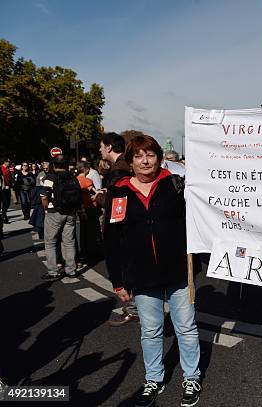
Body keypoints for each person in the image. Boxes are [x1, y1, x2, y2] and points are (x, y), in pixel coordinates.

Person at [105, 135, 201, 407]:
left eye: (150, 155)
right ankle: (153, 379)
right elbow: (111, 239)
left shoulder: (175, 185)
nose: (145, 161)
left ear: (159, 158)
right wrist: (118, 281)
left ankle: (191, 377)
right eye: (138, 156)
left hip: (178, 270)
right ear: (131, 161)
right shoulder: (119, 191)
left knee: (186, 328)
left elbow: (197, 221)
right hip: (142, 275)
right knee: (150, 331)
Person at [94, 132, 138, 326]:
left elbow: (118, 204)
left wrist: (100, 197)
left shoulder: (119, 169)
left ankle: (134, 309)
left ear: (109, 147)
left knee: (125, 268)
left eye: (101, 146)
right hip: (128, 227)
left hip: (121, 228)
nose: (100, 150)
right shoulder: (122, 166)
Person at [40, 156, 82, 280]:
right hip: (71, 212)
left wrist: (46, 209)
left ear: (54, 165)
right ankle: (71, 269)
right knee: (69, 242)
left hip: (54, 212)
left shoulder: (50, 177)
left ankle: (53, 271)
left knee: (50, 242)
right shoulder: (72, 177)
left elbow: (44, 196)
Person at [76, 162, 101, 264]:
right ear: (85, 170)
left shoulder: (74, 180)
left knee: (82, 230)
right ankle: (92, 251)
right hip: (90, 207)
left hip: (80, 208)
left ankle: (83, 250)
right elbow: (96, 192)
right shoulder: (87, 181)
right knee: (92, 230)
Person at [1, 159, 11, 224]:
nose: (9, 163)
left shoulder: (8, 169)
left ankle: (4, 214)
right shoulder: (1, 168)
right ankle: (4, 216)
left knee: (8, 203)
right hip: (2, 188)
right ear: (5, 162)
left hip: (8, 187)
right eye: (8, 162)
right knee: (5, 202)